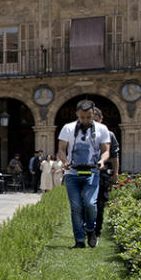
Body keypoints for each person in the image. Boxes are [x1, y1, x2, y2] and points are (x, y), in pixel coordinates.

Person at [57, 99, 110, 248]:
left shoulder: (102, 129)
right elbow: (61, 149)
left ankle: (90, 229)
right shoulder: (68, 128)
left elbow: (106, 151)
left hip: (92, 172)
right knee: (76, 207)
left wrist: (102, 162)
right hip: (72, 173)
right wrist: (64, 161)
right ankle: (79, 240)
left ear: (93, 113)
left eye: (88, 117)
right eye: (82, 117)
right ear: (77, 114)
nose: (85, 120)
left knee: (90, 204)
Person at [93, 106, 120, 235]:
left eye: (95, 119)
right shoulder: (81, 134)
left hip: (102, 173)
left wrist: (115, 173)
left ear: (101, 119)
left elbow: (115, 155)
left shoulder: (109, 134)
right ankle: (87, 228)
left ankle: (96, 231)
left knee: (100, 203)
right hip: (85, 171)